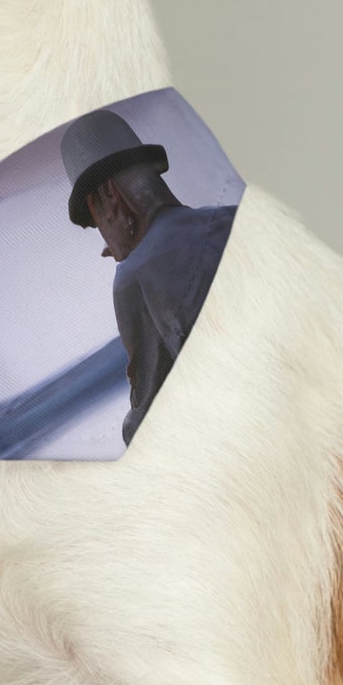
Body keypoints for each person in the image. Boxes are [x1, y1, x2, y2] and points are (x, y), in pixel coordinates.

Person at [61, 110, 236, 444]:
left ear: (110, 197)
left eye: (95, 220)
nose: (103, 240)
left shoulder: (135, 277)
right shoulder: (231, 219)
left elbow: (151, 421)